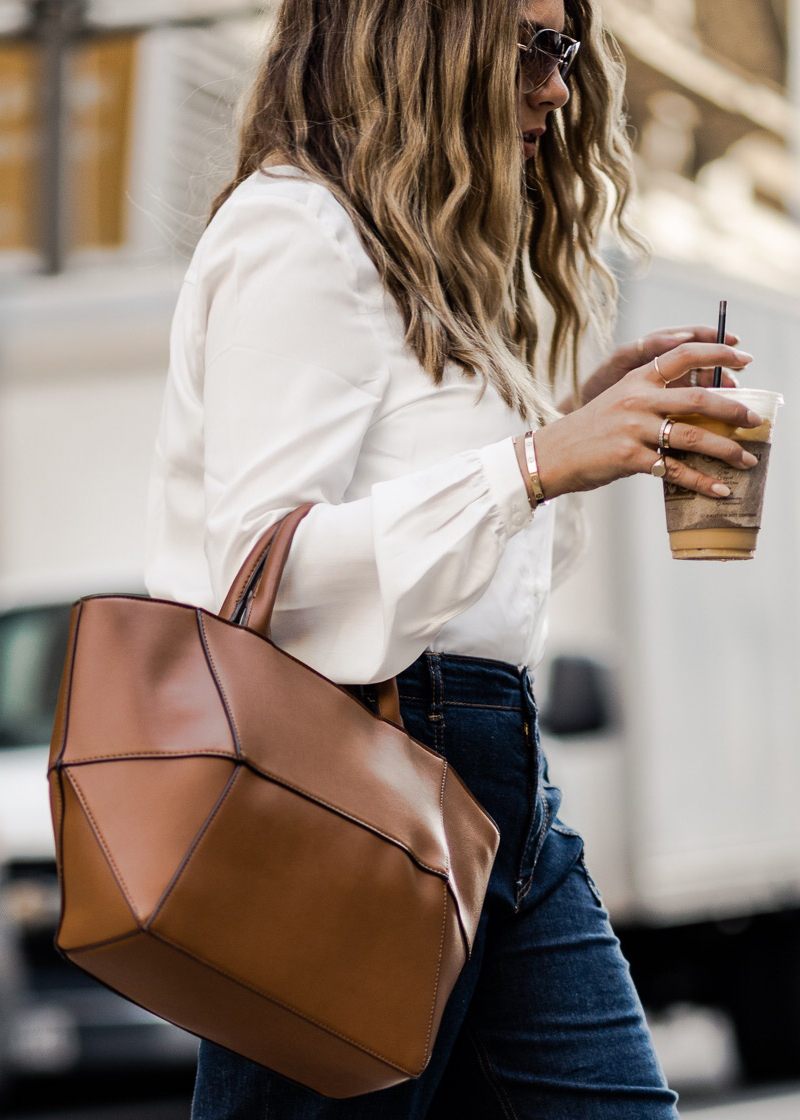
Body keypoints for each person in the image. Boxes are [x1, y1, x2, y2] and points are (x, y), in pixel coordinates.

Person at [144, 1, 759, 1116]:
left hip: (495, 786)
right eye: (530, 44)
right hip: (347, 787)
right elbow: (262, 575)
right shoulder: (298, 231)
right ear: (412, 33)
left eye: (563, 48)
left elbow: (464, 573)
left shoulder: (439, 268)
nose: (556, 88)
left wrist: (575, 428)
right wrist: (530, 462)